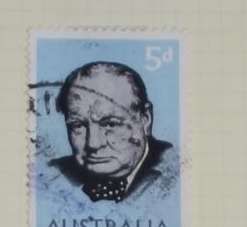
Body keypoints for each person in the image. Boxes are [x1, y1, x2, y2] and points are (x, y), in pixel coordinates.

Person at [35, 61, 178, 208]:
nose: (93, 143)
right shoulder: (49, 176)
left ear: (145, 119)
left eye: (110, 124)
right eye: (78, 125)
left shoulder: (179, 175)